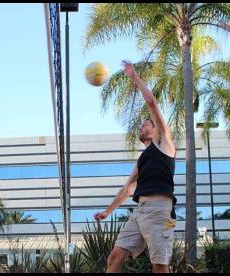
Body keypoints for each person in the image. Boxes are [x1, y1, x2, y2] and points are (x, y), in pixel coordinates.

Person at [94, 60, 177, 273]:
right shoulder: (143, 159)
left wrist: (134, 77)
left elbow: (151, 102)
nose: (142, 126)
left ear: (156, 130)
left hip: (159, 210)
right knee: (114, 257)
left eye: (145, 124)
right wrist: (108, 211)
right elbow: (127, 188)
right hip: (140, 211)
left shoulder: (165, 144)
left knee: (159, 265)